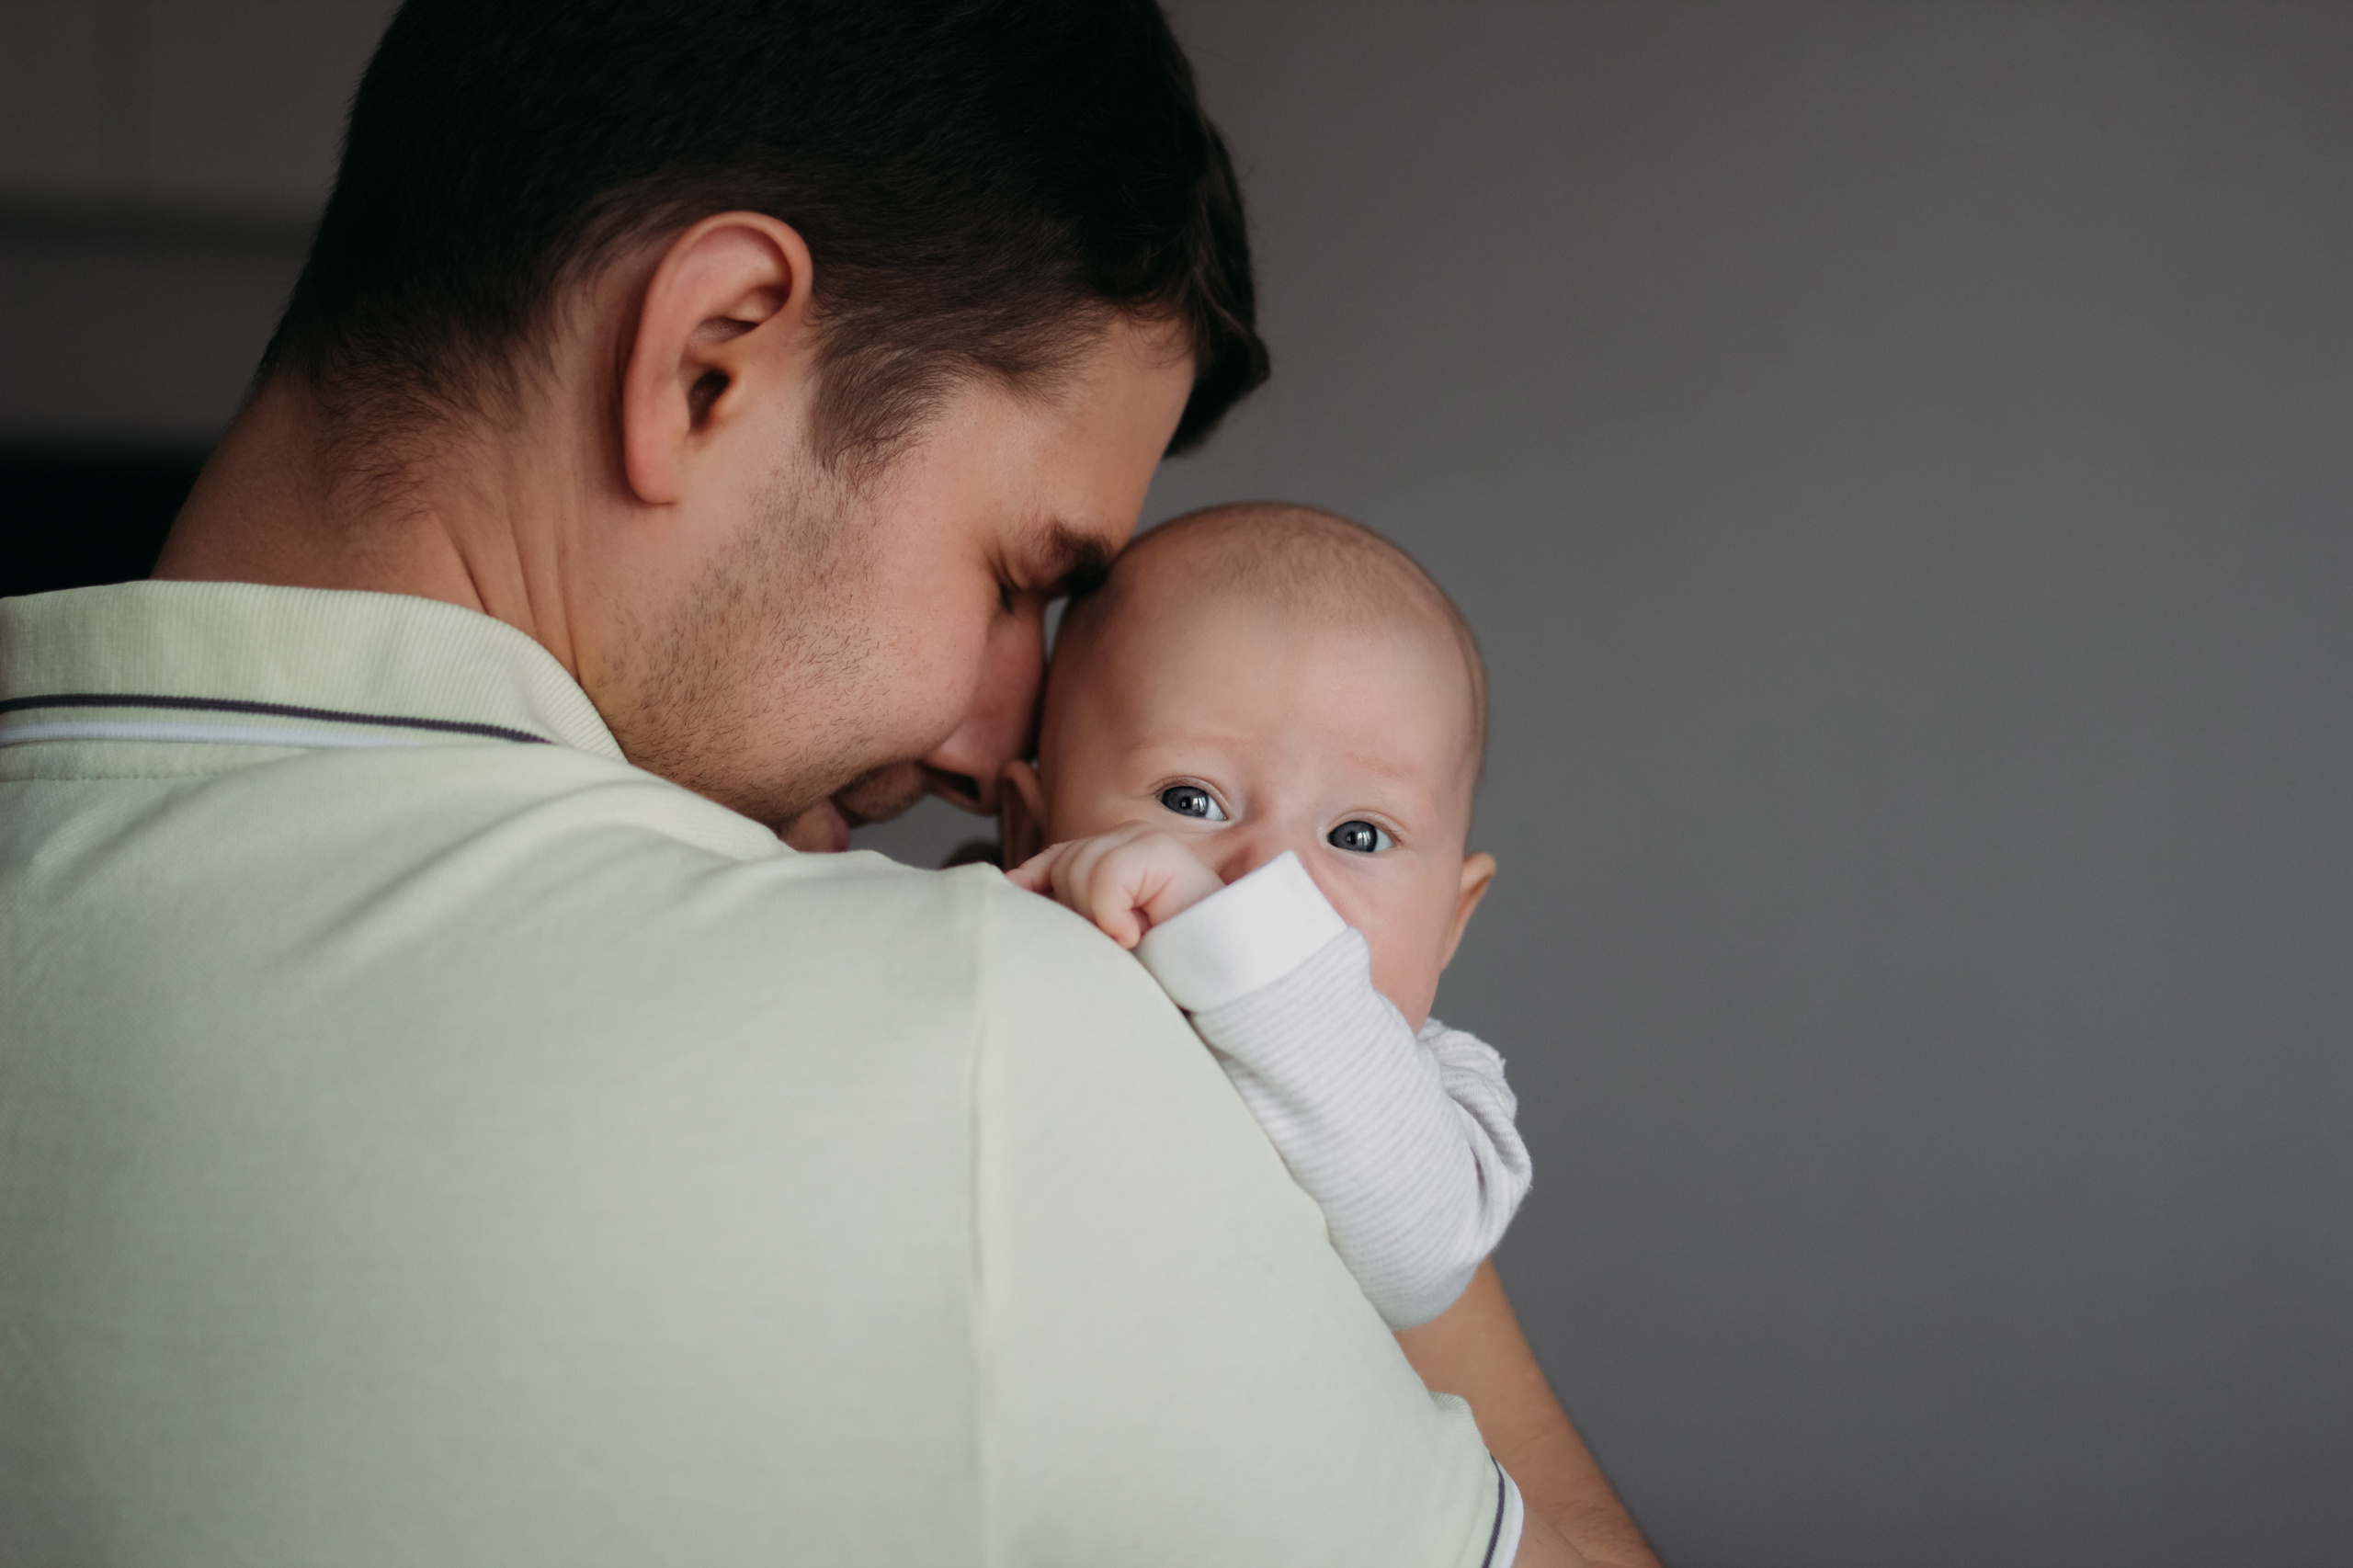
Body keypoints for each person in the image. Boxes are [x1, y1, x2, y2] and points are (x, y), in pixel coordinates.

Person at [0, 3, 1653, 1563]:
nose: (1001, 736)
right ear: (708, 361)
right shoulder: (997, 1047)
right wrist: (1337, 1066)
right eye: (1019, 574)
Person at [1003, 503, 1531, 1334]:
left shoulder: (1434, 1095)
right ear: (1031, 834)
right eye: (1192, 800)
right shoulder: (1001, 953)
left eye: (1359, 835)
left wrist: (1245, 956)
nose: (1270, 880)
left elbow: (1420, 1264)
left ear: (1451, 923)